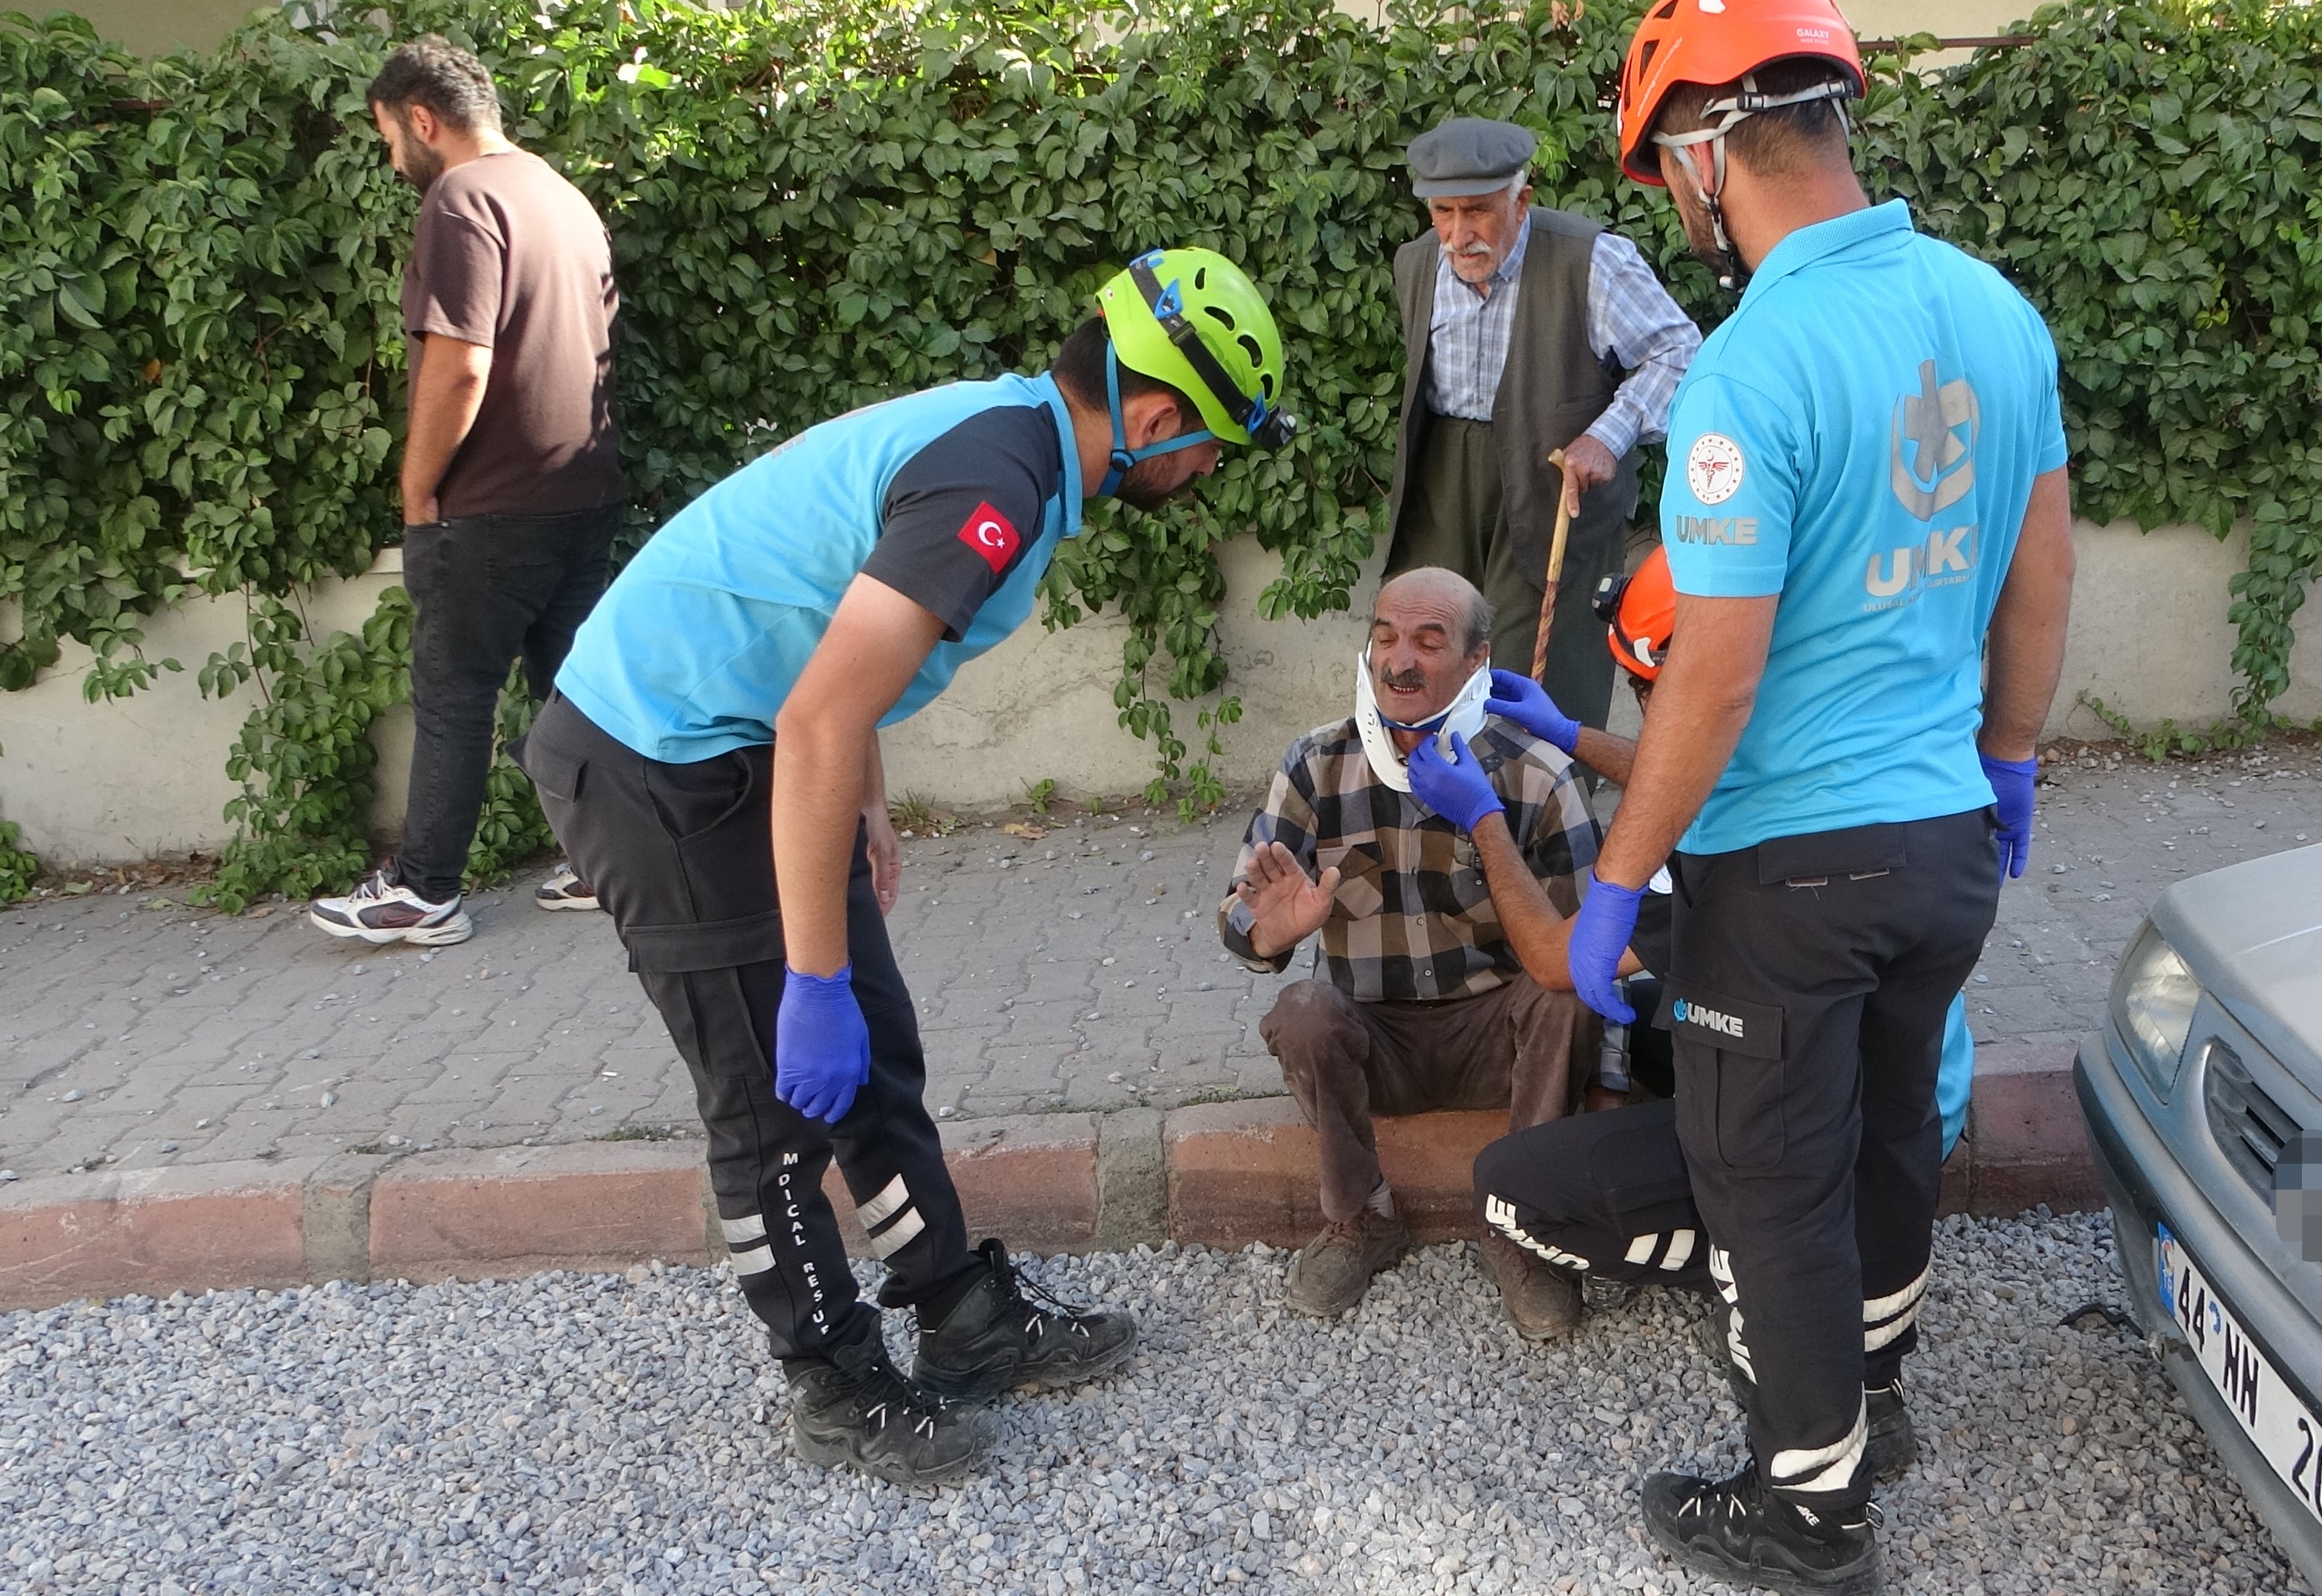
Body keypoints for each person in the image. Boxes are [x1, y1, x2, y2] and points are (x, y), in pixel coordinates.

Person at [520, 248, 1298, 1486]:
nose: (1207, 475)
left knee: (873, 1056)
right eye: (1213, 447)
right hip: (653, 761)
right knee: (773, 1104)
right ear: (1155, 420)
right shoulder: (999, 480)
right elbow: (819, 714)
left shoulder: (1015, 443)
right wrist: (811, 981)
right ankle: (832, 1382)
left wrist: (865, 807)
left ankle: (962, 1317)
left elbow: (833, 626)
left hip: (744, 748)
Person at [1563, 1, 2080, 1586]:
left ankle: (1806, 1504)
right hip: (1944, 855)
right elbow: (2040, 570)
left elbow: (1710, 678)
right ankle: (1874, 1397)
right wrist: (2006, 757)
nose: (1671, 201)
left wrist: (1614, 881)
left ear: (1710, 158)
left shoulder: (1748, 374)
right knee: (1885, 1143)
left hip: (1787, 873)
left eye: (1665, 174)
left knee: (1767, 1179)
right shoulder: (1996, 311)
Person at [1405, 548, 1976, 1404]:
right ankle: (1842, 1299)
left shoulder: (1731, 866)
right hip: (1911, 1112)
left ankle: (1772, 1278)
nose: (1645, 714)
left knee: (1514, 1188)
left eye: (1645, 694)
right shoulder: (1835, 760)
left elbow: (1553, 962)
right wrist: (1570, 734)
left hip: (1830, 1137)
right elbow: (1703, 765)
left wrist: (1482, 817)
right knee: (1654, 1022)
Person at [1219, 567, 1604, 1336]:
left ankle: (1518, 1227)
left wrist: (1616, 1086)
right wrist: (1272, 932)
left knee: (1564, 992)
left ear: (1476, 662)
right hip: (1376, 1040)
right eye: (1385, 638)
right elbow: (1242, 919)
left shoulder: (1538, 771)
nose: (1400, 661)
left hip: (1500, 1035)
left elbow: (1599, 950)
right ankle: (1362, 1219)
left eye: (1430, 643)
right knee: (1301, 1011)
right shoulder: (1314, 765)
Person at [310, 38, 619, 947]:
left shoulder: (462, 198)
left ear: (419, 117)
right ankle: (612, 861)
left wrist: (417, 491)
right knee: (576, 690)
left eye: (386, 139)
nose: (390, 159)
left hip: (487, 505)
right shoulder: (559, 194)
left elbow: (459, 363)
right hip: (583, 487)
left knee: (454, 694)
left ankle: (421, 892)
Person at [1383, 116, 1702, 732]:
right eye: (1442, 212)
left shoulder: (1593, 261)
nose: (1457, 234)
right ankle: (1439, 811)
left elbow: (1679, 352)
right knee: (1430, 652)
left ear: (1521, 200)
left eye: (1476, 211)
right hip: (1442, 481)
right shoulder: (1416, 264)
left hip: (1555, 482)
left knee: (1541, 673)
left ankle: (1547, 819)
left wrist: (1609, 435)